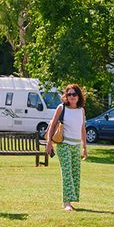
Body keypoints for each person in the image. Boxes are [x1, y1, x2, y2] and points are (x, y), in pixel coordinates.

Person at [45, 84, 87, 212]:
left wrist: (84, 147)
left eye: (74, 94)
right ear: (66, 96)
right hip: (64, 144)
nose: (72, 97)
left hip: (76, 145)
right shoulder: (61, 108)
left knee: (75, 174)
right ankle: (66, 203)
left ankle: (71, 201)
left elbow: (82, 129)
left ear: (79, 96)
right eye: (69, 94)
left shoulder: (81, 110)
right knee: (67, 172)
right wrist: (49, 142)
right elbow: (52, 125)